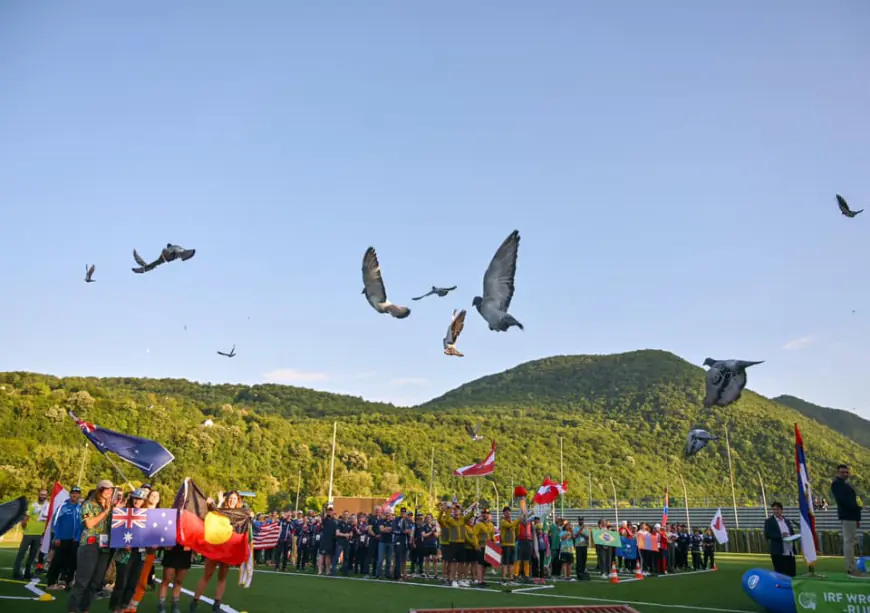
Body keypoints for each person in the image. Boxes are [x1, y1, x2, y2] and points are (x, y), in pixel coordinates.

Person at [189, 490, 251, 612]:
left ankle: (217, 604)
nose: (232, 500)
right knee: (207, 575)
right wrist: (219, 501)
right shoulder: (220, 511)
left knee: (222, 577)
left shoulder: (240, 513)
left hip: (228, 548)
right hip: (216, 546)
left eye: (235, 498)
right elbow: (212, 514)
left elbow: (244, 524)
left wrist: (251, 516)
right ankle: (195, 602)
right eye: (230, 498)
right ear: (227, 499)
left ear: (238, 501)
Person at [68, 479, 115, 613]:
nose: (109, 492)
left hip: (105, 547)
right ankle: (72, 609)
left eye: (111, 490)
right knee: (83, 581)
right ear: (99, 490)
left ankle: (84, 608)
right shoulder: (88, 504)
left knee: (96, 581)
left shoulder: (112, 507)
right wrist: (105, 512)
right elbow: (89, 524)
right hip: (89, 545)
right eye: (106, 489)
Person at [110, 489, 147, 613]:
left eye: (140, 499)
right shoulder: (123, 512)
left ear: (144, 501)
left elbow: (151, 533)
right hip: (125, 554)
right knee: (121, 582)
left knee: (132, 583)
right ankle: (115, 607)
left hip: (140, 553)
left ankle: (124, 606)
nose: (137, 501)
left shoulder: (148, 515)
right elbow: (116, 531)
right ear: (132, 499)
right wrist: (123, 543)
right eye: (135, 498)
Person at [830, 463, 866, 577]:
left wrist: (857, 516)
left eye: (846, 472)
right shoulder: (836, 484)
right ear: (837, 473)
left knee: (851, 541)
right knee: (849, 542)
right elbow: (843, 501)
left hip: (852, 516)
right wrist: (857, 507)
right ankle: (851, 568)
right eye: (842, 472)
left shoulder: (846, 485)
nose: (845, 474)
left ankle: (853, 566)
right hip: (847, 516)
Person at [46, 486, 82, 590]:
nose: (75, 495)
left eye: (77, 493)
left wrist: (78, 537)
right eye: (73, 493)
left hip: (75, 540)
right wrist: (57, 537)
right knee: (58, 561)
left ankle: (68, 582)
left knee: (72, 562)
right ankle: (51, 583)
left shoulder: (81, 508)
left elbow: (83, 523)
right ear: (70, 494)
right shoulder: (62, 506)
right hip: (62, 539)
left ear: (79, 495)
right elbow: (55, 522)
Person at [12, 488, 49, 580]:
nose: (43, 496)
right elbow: (25, 519)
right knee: (21, 554)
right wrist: (26, 528)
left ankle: (27, 573)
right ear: (38, 495)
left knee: (32, 555)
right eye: (41, 494)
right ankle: (16, 573)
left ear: (47, 496)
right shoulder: (32, 505)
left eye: (44, 495)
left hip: (39, 534)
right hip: (29, 533)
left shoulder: (48, 506)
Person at [763, 502, 796, 577]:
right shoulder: (769, 521)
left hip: (790, 552)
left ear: (781, 510)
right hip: (778, 552)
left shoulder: (786, 521)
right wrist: (781, 535)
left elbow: (791, 532)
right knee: (780, 575)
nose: (775, 511)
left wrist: (793, 536)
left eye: (777, 509)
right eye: (774, 509)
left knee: (791, 574)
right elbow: (768, 534)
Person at [472, 507, 495, 586]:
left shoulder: (491, 525)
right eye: (484, 513)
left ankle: (482, 580)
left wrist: (494, 543)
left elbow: (492, 536)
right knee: (480, 564)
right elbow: (474, 535)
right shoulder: (479, 525)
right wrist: (476, 545)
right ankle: (479, 581)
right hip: (481, 546)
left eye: (487, 514)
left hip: (488, 547)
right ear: (482, 515)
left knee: (485, 565)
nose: (485, 515)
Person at [498, 506, 519, 585]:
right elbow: (511, 526)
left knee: (511, 563)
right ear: (503, 513)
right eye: (506, 512)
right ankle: (503, 579)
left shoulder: (511, 521)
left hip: (512, 544)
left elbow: (515, 529)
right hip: (506, 544)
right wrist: (519, 519)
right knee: (505, 563)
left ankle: (511, 579)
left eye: (509, 512)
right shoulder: (503, 522)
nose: (508, 513)